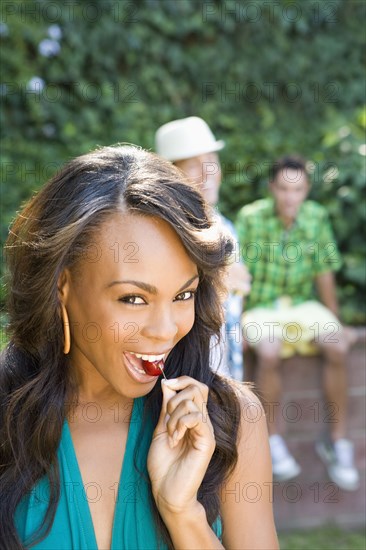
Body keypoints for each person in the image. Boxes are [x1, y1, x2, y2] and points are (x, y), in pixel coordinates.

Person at [0, 145, 278, 549]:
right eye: (133, 299)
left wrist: (182, 513)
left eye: (183, 295)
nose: (165, 330)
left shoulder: (230, 421)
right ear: (62, 288)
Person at [235, 155, 360, 491]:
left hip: (301, 305)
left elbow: (324, 271)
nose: (291, 197)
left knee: (337, 344)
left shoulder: (316, 218)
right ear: (272, 188)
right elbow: (238, 274)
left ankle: (337, 441)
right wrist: (235, 324)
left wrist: (336, 319)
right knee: (270, 350)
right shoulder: (251, 218)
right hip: (261, 306)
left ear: (306, 191)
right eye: (284, 189)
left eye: (298, 190)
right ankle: (273, 441)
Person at [155, 116, 251, 381]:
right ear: (171, 173)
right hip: (182, 375)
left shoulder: (225, 226)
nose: (208, 173)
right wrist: (220, 278)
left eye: (211, 161)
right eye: (194, 165)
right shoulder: (162, 229)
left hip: (225, 371)